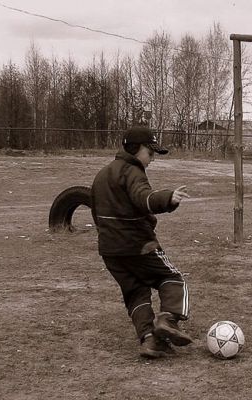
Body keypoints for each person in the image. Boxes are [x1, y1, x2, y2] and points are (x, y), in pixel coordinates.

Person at [90, 125, 193, 359]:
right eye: (151, 152)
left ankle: (149, 340)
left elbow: (95, 211)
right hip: (138, 244)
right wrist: (168, 198)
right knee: (172, 277)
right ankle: (169, 318)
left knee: (135, 291)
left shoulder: (102, 174)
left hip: (110, 250)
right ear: (137, 149)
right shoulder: (133, 172)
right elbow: (143, 197)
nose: (153, 159)